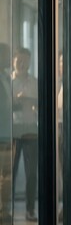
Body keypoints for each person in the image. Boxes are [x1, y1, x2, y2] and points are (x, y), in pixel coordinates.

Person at [11, 47, 38, 222]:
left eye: (25, 60)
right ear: (13, 61)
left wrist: (32, 103)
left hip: (30, 130)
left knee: (31, 173)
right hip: (13, 130)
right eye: (19, 60)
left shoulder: (35, 82)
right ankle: (7, 208)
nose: (22, 63)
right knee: (9, 172)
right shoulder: (8, 82)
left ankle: (30, 209)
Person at [0, 43, 13, 224]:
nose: (9, 59)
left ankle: (4, 211)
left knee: (6, 175)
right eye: (6, 55)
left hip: (8, 133)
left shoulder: (6, 77)